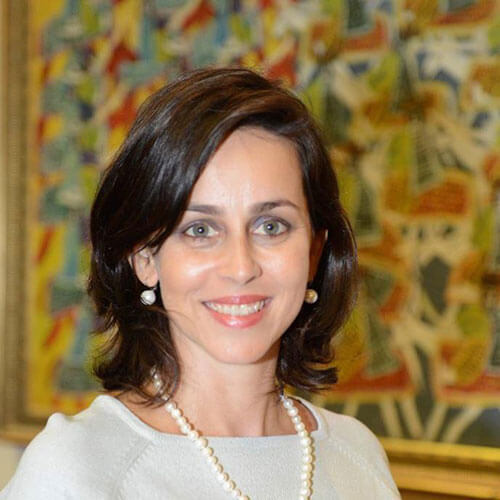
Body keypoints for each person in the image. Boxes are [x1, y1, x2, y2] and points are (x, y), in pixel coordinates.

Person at [1, 67, 400, 499]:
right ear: (145, 258)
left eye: (271, 226)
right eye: (200, 230)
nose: (240, 267)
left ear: (314, 252)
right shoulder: (77, 469)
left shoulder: (357, 453)